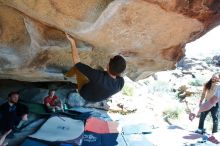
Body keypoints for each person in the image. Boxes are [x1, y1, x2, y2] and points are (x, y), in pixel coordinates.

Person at [64, 33, 126, 103]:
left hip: (85, 93)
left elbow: (77, 62)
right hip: (97, 97)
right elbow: (118, 70)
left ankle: (66, 75)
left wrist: (72, 42)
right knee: (96, 71)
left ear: (107, 66)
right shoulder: (120, 83)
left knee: (77, 68)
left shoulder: (98, 76)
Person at [189, 73, 220, 144]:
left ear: (219, 78)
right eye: (213, 77)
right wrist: (200, 102)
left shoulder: (218, 85)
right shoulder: (207, 84)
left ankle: (214, 133)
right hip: (208, 102)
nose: (214, 79)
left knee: (215, 118)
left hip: (216, 104)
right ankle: (200, 129)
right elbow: (203, 93)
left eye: (216, 78)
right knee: (202, 115)